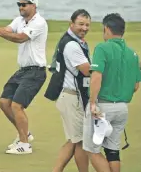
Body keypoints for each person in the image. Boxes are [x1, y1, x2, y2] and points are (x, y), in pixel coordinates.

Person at [0, 0, 47, 154]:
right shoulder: (19, 20)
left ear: (33, 5)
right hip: (22, 71)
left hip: (36, 71)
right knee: (4, 103)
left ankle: (25, 145)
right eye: (19, 4)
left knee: (16, 105)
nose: (21, 7)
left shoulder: (39, 23)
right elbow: (8, 30)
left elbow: (20, 38)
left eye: (24, 4)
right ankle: (24, 134)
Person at [83, 13, 141, 172]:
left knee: (92, 150)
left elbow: (96, 77)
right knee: (112, 150)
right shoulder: (133, 54)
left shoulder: (103, 47)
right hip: (122, 109)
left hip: (102, 107)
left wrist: (93, 103)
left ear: (107, 29)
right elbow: (136, 86)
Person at [44, 9, 91, 172]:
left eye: (87, 25)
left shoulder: (75, 42)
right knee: (80, 142)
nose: (84, 28)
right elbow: (87, 70)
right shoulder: (72, 45)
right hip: (72, 98)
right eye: (80, 24)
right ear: (71, 24)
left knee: (73, 140)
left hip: (70, 97)